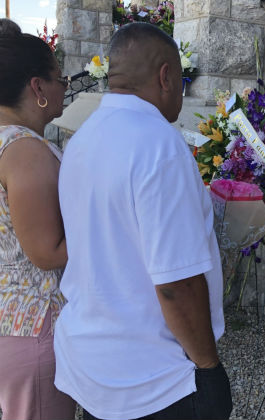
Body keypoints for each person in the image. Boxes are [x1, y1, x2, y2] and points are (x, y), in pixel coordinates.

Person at [55, 22, 232, 420]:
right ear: (166, 76)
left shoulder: (82, 138)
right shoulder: (159, 143)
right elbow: (176, 282)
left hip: (92, 359)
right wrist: (208, 367)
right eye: (182, 81)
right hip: (152, 377)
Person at [0, 19, 76, 420]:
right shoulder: (24, 149)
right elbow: (47, 252)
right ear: (37, 88)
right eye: (59, 78)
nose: (65, 86)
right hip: (33, 324)